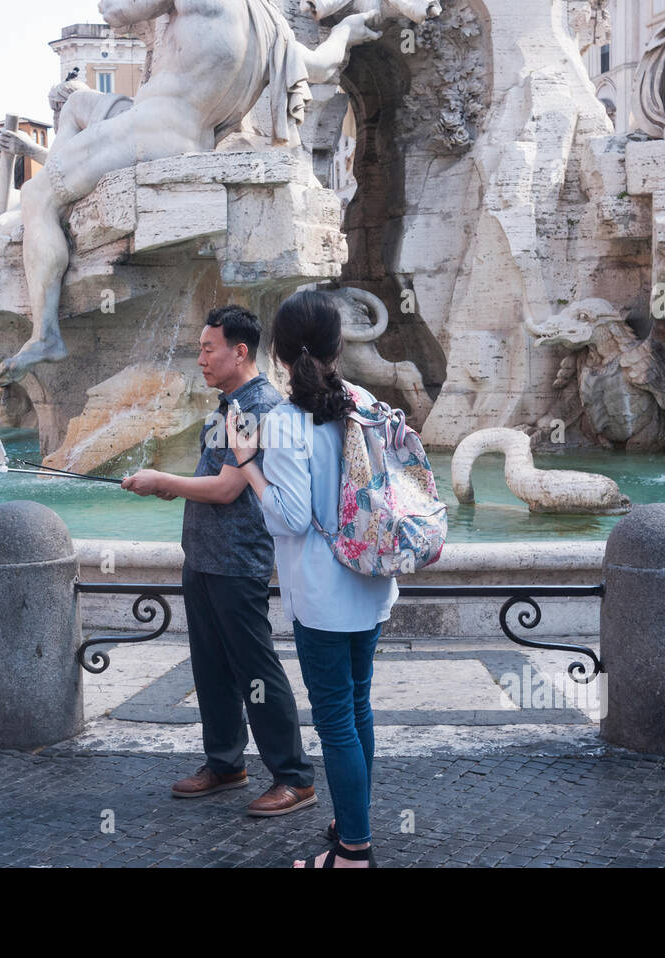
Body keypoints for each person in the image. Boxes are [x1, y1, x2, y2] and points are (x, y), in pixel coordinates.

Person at [122, 305, 318, 819]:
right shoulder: (227, 402)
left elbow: (231, 488)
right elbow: (212, 481)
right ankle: (226, 762)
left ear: (240, 351)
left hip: (237, 560)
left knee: (256, 670)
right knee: (211, 668)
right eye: (201, 348)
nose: (201, 357)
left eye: (209, 348)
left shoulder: (260, 405)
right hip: (205, 557)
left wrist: (162, 482)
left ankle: (295, 777)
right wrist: (174, 492)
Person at [229, 289, 399, 868]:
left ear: (277, 351)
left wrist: (248, 465)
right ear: (337, 345)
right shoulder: (363, 400)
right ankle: (353, 816)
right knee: (358, 707)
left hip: (323, 596)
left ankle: (353, 851)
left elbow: (292, 516)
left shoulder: (283, 421)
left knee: (334, 720)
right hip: (371, 580)